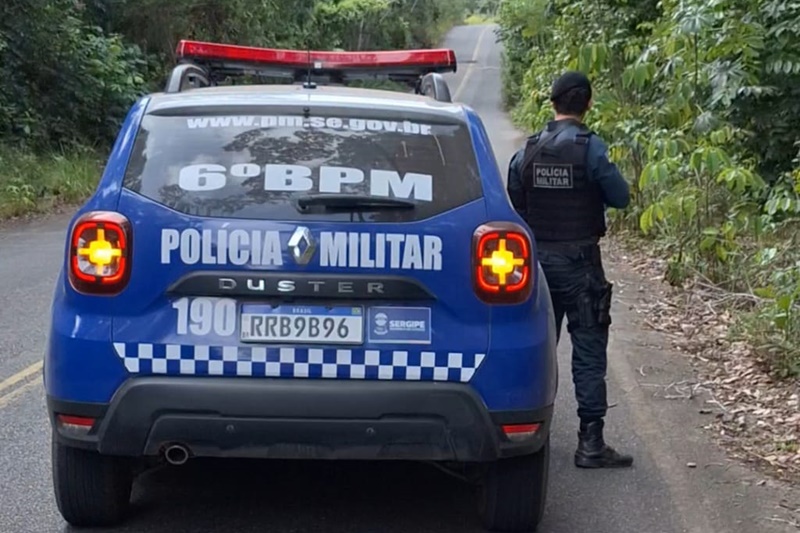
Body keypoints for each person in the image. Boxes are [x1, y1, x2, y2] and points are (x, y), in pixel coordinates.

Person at [506, 71, 633, 469]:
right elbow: (621, 197)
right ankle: (590, 443)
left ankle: (520, 435)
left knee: (533, 347)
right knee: (589, 351)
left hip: (537, 267)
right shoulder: (592, 150)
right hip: (580, 266)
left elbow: (515, 198)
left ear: (552, 103)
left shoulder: (527, 149)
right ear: (588, 104)